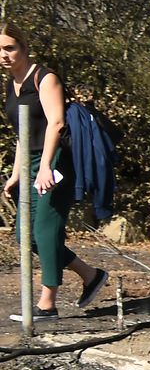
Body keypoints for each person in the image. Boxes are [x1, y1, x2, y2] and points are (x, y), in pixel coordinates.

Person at [2, 22, 109, 322]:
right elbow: (23, 134)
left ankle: (47, 305)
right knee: (26, 236)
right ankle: (90, 275)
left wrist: (46, 166)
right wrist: (16, 173)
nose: (4, 55)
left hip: (56, 161)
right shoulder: (11, 84)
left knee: (45, 231)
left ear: (24, 47)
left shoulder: (44, 78)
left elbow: (56, 123)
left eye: (9, 48)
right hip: (30, 163)